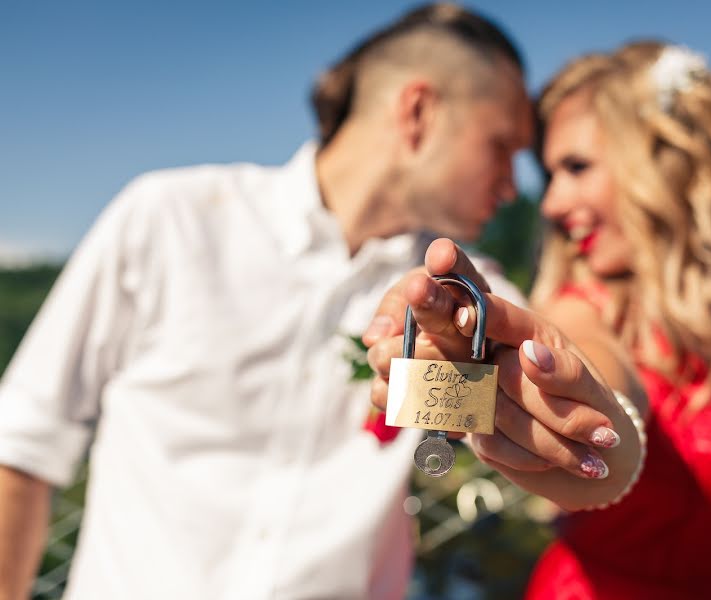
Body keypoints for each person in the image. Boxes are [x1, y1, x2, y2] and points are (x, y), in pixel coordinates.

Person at [0, 4, 557, 598]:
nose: (510, 185)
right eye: (501, 146)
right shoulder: (168, 220)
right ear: (417, 111)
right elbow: (23, 447)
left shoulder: (463, 296)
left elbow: (561, 380)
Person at [367, 41, 711, 598]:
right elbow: (597, 387)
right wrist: (537, 394)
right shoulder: (586, 307)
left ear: (668, 163)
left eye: (576, 167)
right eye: (551, 175)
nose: (550, 204)